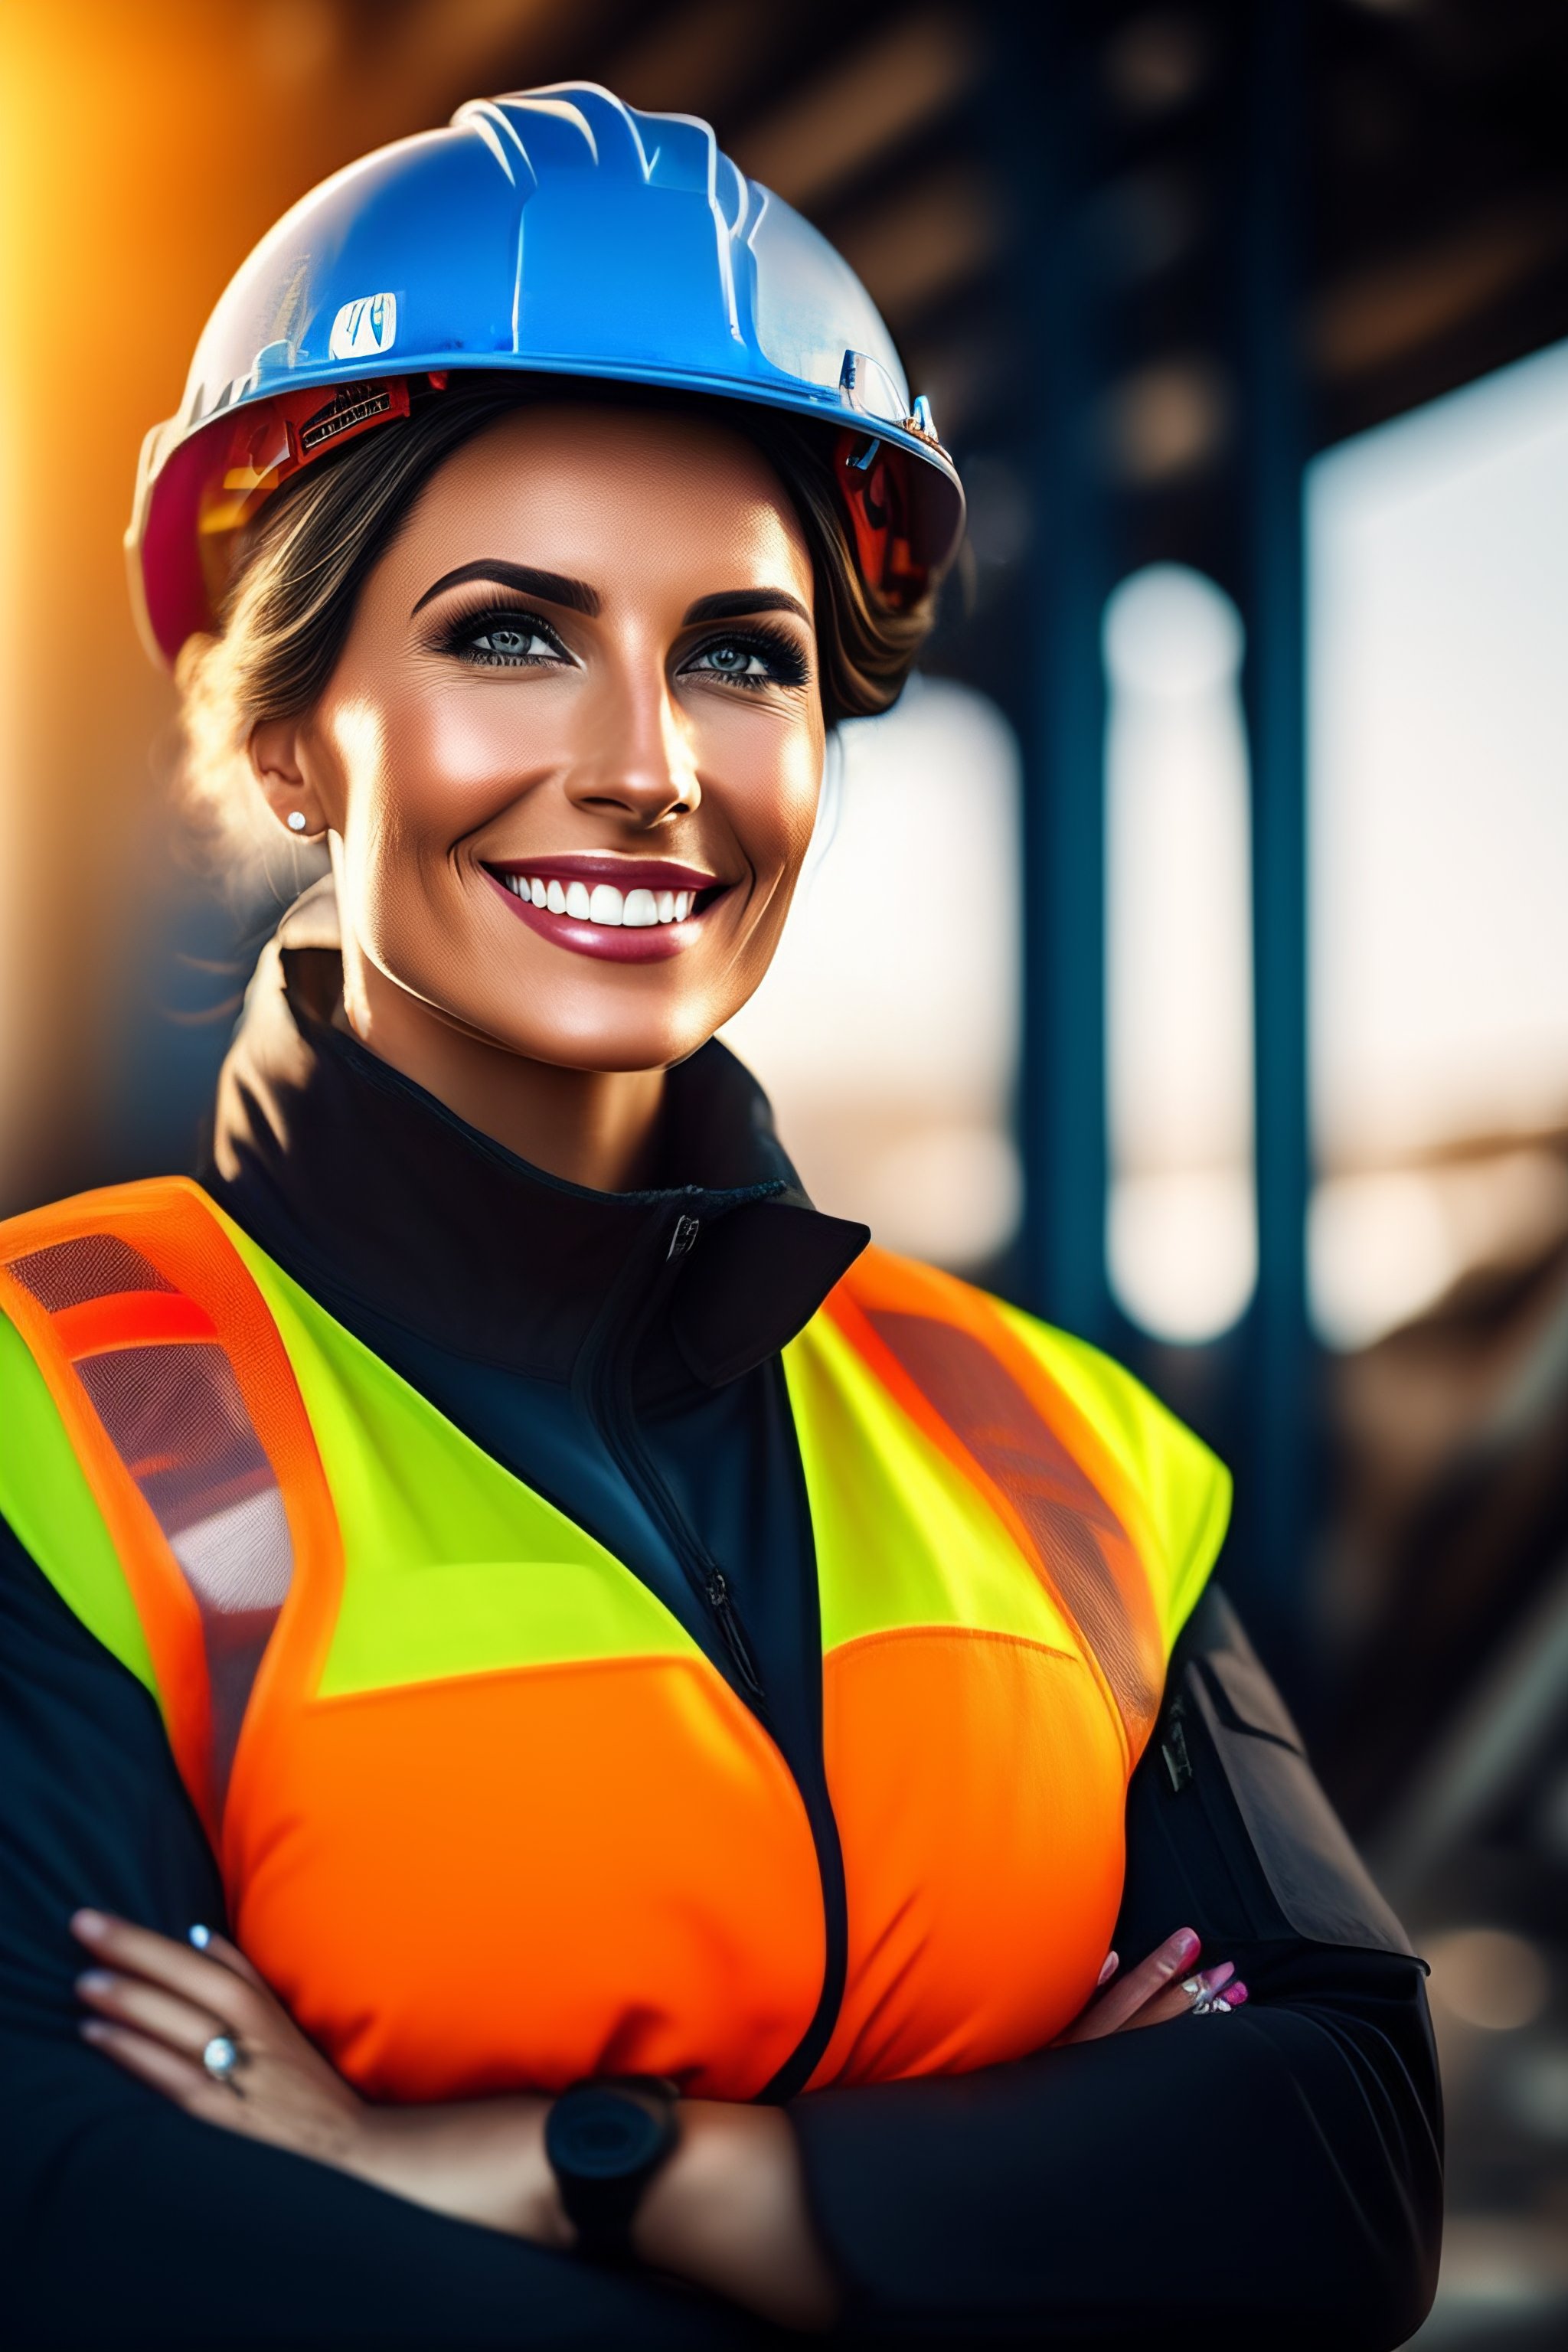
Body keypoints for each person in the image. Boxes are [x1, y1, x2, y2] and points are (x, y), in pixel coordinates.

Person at [0, 85, 1439, 2350]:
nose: (651, 759)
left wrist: (595, 2168)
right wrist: (1011, 2219)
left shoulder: (1051, 1448)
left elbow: (1343, 2173)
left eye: (743, 654)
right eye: (510, 634)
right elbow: (79, 2240)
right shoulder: (44, 1419)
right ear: (289, 739)